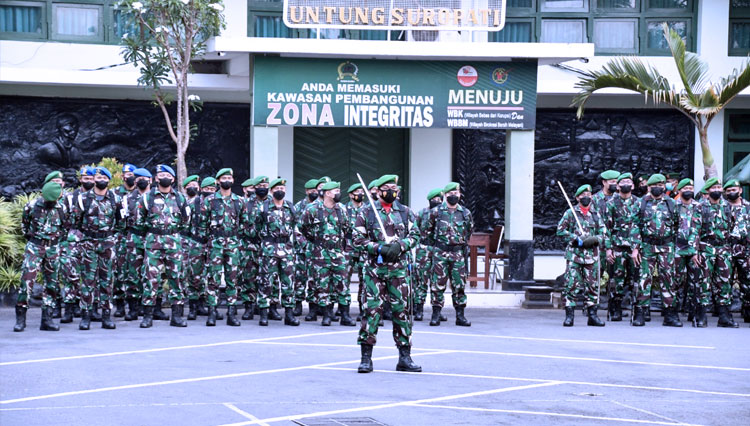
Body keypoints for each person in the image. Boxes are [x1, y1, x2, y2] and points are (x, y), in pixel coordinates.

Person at [353, 174, 421, 373]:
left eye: (394, 188)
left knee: (402, 311)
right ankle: (366, 358)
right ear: (378, 190)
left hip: (399, 271)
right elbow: (358, 239)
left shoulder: (406, 212)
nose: (391, 191)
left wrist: (400, 245)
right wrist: (379, 248)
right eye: (387, 187)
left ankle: (404, 357)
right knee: (371, 311)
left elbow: (415, 235)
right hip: (375, 270)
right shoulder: (367, 212)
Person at [300, 181, 355, 326]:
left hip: (338, 252)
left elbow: (347, 229)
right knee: (322, 284)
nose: (339, 193)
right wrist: (314, 242)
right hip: (320, 253)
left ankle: (345, 315)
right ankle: (326, 315)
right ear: (327, 193)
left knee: (343, 283)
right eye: (336, 190)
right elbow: (302, 228)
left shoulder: (341, 209)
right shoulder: (312, 209)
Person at [71, 166, 119, 330]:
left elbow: (121, 222)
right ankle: (86, 317)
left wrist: (112, 237)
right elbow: (76, 221)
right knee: (88, 281)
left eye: (104, 178)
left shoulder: (114, 198)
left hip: (107, 243)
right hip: (89, 243)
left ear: (108, 181)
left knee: (107, 281)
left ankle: (106, 317)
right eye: (98, 177)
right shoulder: (83, 199)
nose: (101, 180)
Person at [14, 180, 66, 332]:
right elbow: (24, 226)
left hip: (53, 248)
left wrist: (55, 243)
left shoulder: (62, 208)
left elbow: (65, 228)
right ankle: (20, 319)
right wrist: (35, 241)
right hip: (35, 247)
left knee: (52, 283)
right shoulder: (31, 206)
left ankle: (47, 320)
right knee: (27, 281)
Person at [630, 174, 681, 327]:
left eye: (661, 184)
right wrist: (635, 248)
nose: (658, 187)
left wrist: (675, 247)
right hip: (647, 246)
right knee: (644, 279)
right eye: (655, 185)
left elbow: (678, 225)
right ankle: (641, 312)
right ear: (649, 187)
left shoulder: (672, 203)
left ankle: (670, 314)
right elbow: (634, 226)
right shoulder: (641, 203)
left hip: (666, 246)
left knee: (668, 278)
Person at [198, 168, 247, 326]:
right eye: (223, 178)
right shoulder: (210, 200)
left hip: (232, 243)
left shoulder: (239, 201)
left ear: (233, 181)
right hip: (215, 243)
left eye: (229, 177)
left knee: (233, 279)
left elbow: (245, 222)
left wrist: (236, 238)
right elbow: (203, 223)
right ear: (218, 181)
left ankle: (232, 313)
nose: (226, 180)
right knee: (213, 279)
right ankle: (212, 312)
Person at [422, 182, 473, 327]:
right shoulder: (436, 212)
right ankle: (436, 315)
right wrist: (439, 245)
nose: (453, 196)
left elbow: (469, 231)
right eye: (450, 194)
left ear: (460, 195)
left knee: (459, 285)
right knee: (437, 285)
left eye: (456, 193)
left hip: (457, 254)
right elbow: (427, 231)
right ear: (445, 196)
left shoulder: (465, 213)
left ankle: (460, 316)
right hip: (440, 253)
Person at [557, 184, 606, 327]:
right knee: (571, 285)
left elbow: (604, 234)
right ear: (578, 197)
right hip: (575, 256)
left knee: (592, 286)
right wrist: (575, 239)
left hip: (592, 256)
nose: (586, 197)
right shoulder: (570, 213)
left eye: (588, 195)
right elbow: (560, 231)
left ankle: (592, 315)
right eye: (583, 195)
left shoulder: (596, 214)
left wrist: (594, 239)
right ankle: (569, 316)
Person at [255, 178, 299, 326]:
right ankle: (264, 313)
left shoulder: (290, 207)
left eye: (283, 188)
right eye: (277, 188)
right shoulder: (264, 208)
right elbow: (256, 226)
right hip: (269, 248)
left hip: (286, 249)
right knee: (266, 282)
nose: (280, 190)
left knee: (288, 282)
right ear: (272, 191)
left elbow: (294, 225)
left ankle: (289, 314)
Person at [699, 178, 740, 328]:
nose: (717, 189)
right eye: (713, 187)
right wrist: (695, 251)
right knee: (704, 282)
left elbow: (733, 227)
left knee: (724, 282)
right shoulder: (700, 207)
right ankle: (701, 315)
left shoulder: (727, 207)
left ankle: (724, 316)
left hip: (723, 249)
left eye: (718, 187)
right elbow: (695, 230)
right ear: (707, 190)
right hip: (706, 248)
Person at [59, 166, 94, 324]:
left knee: (92, 275)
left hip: (93, 239)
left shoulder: (101, 197)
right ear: (81, 179)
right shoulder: (71, 197)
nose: (89, 181)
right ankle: (69, 308)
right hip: (73, 238)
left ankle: (89, 308)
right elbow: (63, 218)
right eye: (86, 179)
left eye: (91, 179)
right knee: (70, 274)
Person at [117, 167, 153, 321]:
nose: (140, 180)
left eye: (143, 178)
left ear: (151, 180)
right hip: (134, 239)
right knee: (133, 274)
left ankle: (154, 308)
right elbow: (121, 221)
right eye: (137, 178)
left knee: (153, 274)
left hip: (154, 239)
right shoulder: (127, 199)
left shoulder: (156, 197)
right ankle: (133, 308)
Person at [604, 173, 639, 321]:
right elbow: (606, 228)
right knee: (616, 280)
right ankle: (615, 308)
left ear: (633, 186)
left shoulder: (639, 203)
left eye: (628, 182)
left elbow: (641, 227)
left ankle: (636, 309)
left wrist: (637, 247)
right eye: (622, 182)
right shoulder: (611, 203)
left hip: (634, 249)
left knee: (634, 279)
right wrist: (608, 248)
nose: (626, 184)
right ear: (617, 186)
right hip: (617, 247)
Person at [673, 178, 705, 326]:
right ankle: (674, 311)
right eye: (685, 188)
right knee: (675, 281)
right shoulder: (672, 205)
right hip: (676, 249)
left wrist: (694, 251)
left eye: (691, 188)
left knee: (695, 281)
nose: (688, 190)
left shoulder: (698, 206)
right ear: (679, 190)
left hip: (694, 251)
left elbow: (698, 229)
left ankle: (694, 312)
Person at [413, 188, 443, 321]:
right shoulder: (421, 213)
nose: (438, 202)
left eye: (440, 199)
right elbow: (415, 229)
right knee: (421, 280)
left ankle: (437, 311)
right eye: (436, 199)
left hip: (438, 250)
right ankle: (419, 309)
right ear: (430, 200)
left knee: (437, 282)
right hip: (424, 250)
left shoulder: (444, 214)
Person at [723, 179, 750, 325]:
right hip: (726, 249)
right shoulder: (722, 207)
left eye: (734, 190)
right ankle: (726, 314)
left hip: (744, 249)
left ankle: (747, 310)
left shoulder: (748, 207)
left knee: (747, 281)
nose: (732, 193)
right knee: (725, 281)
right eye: (728, 191)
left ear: (740, 191)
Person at [295, 178, 319, 318]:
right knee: (299, 277)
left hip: (316, 250)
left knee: (313, 279)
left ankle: (312, 308)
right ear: (306, 191)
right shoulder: (299, 206)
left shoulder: (321, 206)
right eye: (312, 191)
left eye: (317, 191)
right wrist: (304, 244)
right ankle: (298, 304)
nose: (315, 193)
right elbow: (296, 228)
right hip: (301, 249)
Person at [345, 183, 367, 320]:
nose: (360, 194)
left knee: (364, 279)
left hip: (364, 248)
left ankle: (363, 309)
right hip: (347, 248)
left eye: (361, 191)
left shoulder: (368, 209)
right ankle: (344, 309)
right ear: (350, 195)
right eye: (356, 191)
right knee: (344, 279)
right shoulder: (343, 209)